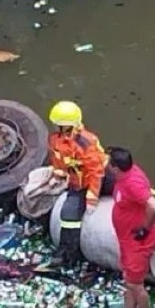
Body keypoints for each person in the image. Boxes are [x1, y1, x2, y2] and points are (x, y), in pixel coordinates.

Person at [47, 100, 109, 270]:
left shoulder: (85, 143)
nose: (57, 128)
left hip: (97, 179)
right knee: (68, 217)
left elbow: (96, 170)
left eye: (60, 125)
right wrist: (59, 171)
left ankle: (70, 255)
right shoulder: (56, 139)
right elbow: (58, 158)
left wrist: (92, 194)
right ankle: (67, 254)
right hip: (77, 182)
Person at [109, 147, 155, 308]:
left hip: (137, 243)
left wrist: (144, 229)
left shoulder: (132, 183)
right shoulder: (128, 173)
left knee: (135, 283)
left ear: (116, 168)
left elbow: (152, 206)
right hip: (127, 240)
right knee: (129, 280)